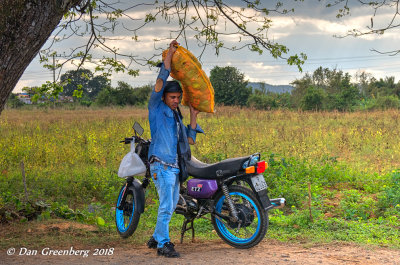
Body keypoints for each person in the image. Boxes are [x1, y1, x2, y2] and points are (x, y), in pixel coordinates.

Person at [146, 40, 204, 258]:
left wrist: (193, 115)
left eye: (178, 98)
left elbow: (190, 141)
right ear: (163, 97)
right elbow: (162, 77)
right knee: (165, 205)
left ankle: (155, 237)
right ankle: (163, 245)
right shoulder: (156, 108)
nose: (175, 100)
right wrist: (169, 55)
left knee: (170, 207)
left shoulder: (178, 116)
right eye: (172, 97)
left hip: (175, 168)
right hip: (161, 165)